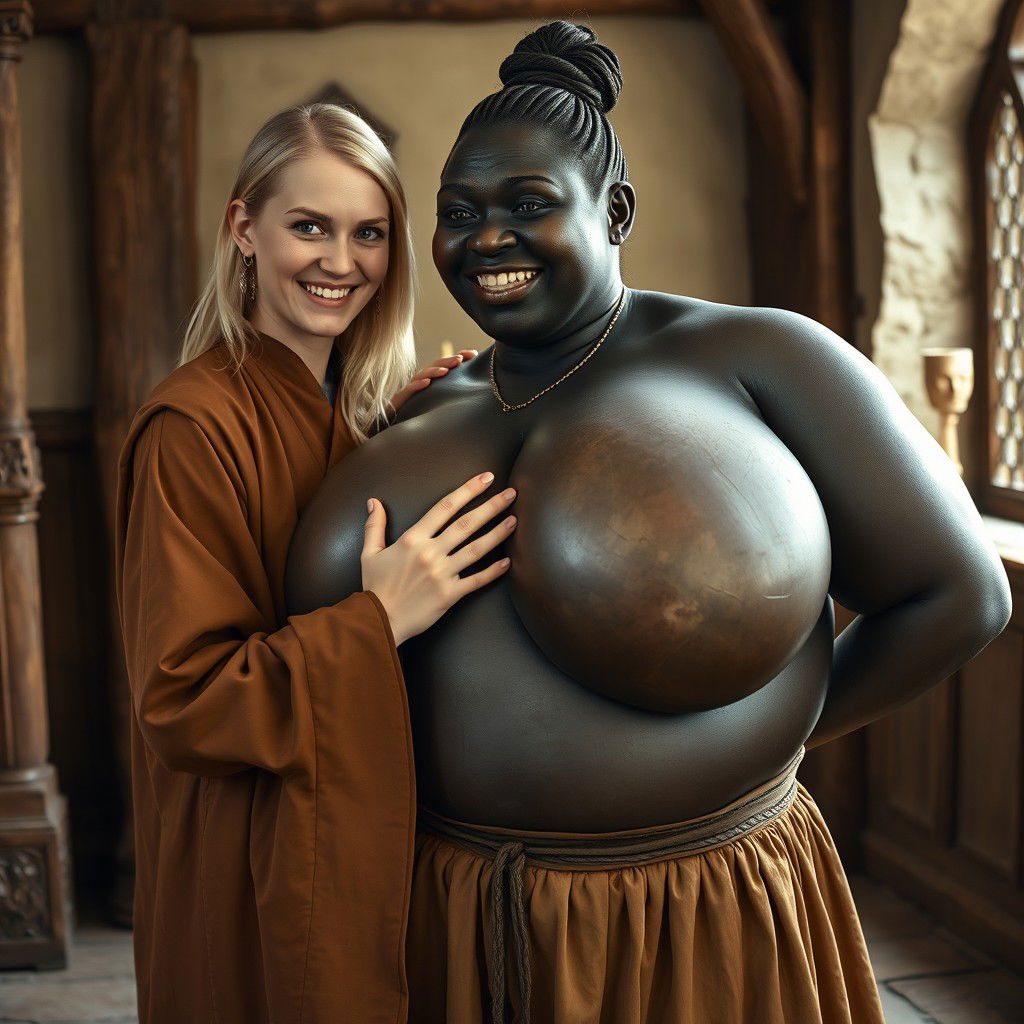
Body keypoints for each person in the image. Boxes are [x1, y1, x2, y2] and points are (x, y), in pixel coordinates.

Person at [286, 22, 1013, 1024]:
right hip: (452, 910)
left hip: (693, 906)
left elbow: (961, 592)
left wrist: (775, 729)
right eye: (458, 213)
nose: (483, 237)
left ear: (614, 210)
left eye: (526, 205)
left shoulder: (759, 357)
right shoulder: (422, 408)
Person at [115, 103, 519, 1024]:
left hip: (360, 836)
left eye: (369, 233)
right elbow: (184, 699)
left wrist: (412, 436)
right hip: (250, 863)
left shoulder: (353, 413)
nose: (342, 262)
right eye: (310, 226)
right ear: (243, 228)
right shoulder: (192, 428)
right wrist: (377, 620)